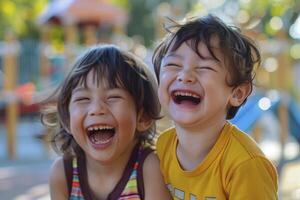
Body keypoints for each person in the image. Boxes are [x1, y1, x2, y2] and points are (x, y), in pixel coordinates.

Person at [152, 14, 278, 199]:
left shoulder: (245, 165)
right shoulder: (162, 148)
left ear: (237, 93)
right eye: (173, 64)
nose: (185, 75)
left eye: (204, 67)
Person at [42, 44, 171, 200]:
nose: (96, 109)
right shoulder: (64, 174)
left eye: (113, 97)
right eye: (83, 99)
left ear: (142, 118)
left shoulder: (149, 168)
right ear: (68, 120)